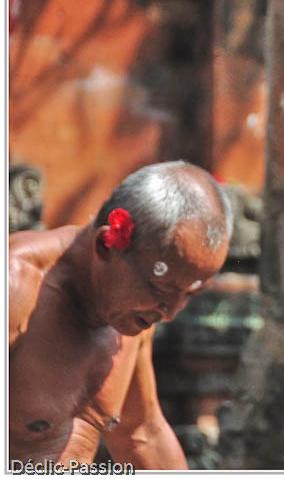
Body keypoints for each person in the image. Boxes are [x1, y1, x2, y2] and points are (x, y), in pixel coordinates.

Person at [9, 160, 233, 468]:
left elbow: (140, 432)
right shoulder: (16, 288)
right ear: (105, 245)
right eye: (159, 288)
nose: (170, 312)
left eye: (189, 295)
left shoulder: (134, 316)